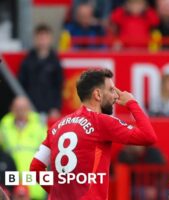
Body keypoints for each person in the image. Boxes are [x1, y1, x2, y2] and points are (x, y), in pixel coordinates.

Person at [30, 69, 157, 199]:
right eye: (111, 90)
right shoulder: (101, 122)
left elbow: (35, 168)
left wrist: (56, 192)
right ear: (97, 94)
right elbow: (148, 136)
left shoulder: (56, 126)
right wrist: (131, 103)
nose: (116, 96)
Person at [0, 96, 46, 199]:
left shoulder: (39, 124)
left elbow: (48, 153)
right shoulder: (5, 124)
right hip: (12, 183)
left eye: (23, 108)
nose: (20, 111)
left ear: (29, 109)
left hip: (34, 183)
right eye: (17, 108)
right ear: (12, 108)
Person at [18, 24, 63, 118]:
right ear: (35, 38)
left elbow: (59, 86)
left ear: (50, 39)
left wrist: (56, 107)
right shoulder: (27, 60)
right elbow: (21, 85)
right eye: (40, 37)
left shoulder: (55, 61)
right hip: (30, 108)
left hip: (49, 109)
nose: (42, 41)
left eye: (45, 37)